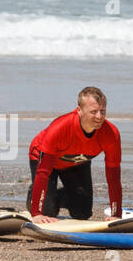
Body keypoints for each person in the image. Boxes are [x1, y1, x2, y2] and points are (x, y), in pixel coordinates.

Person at [28, 86, 121, 223]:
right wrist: (36, 213)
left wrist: (116, 214)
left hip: (77, 161)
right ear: (79, 111)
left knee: (82, 212)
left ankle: (54, 194)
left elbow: (113, 177)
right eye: (93, 112)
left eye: (103, 111)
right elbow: (43, 172)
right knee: (48, 211)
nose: (99, 117)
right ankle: (34, 195)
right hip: (46, 160)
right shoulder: (60, 128)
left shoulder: (111, 134)